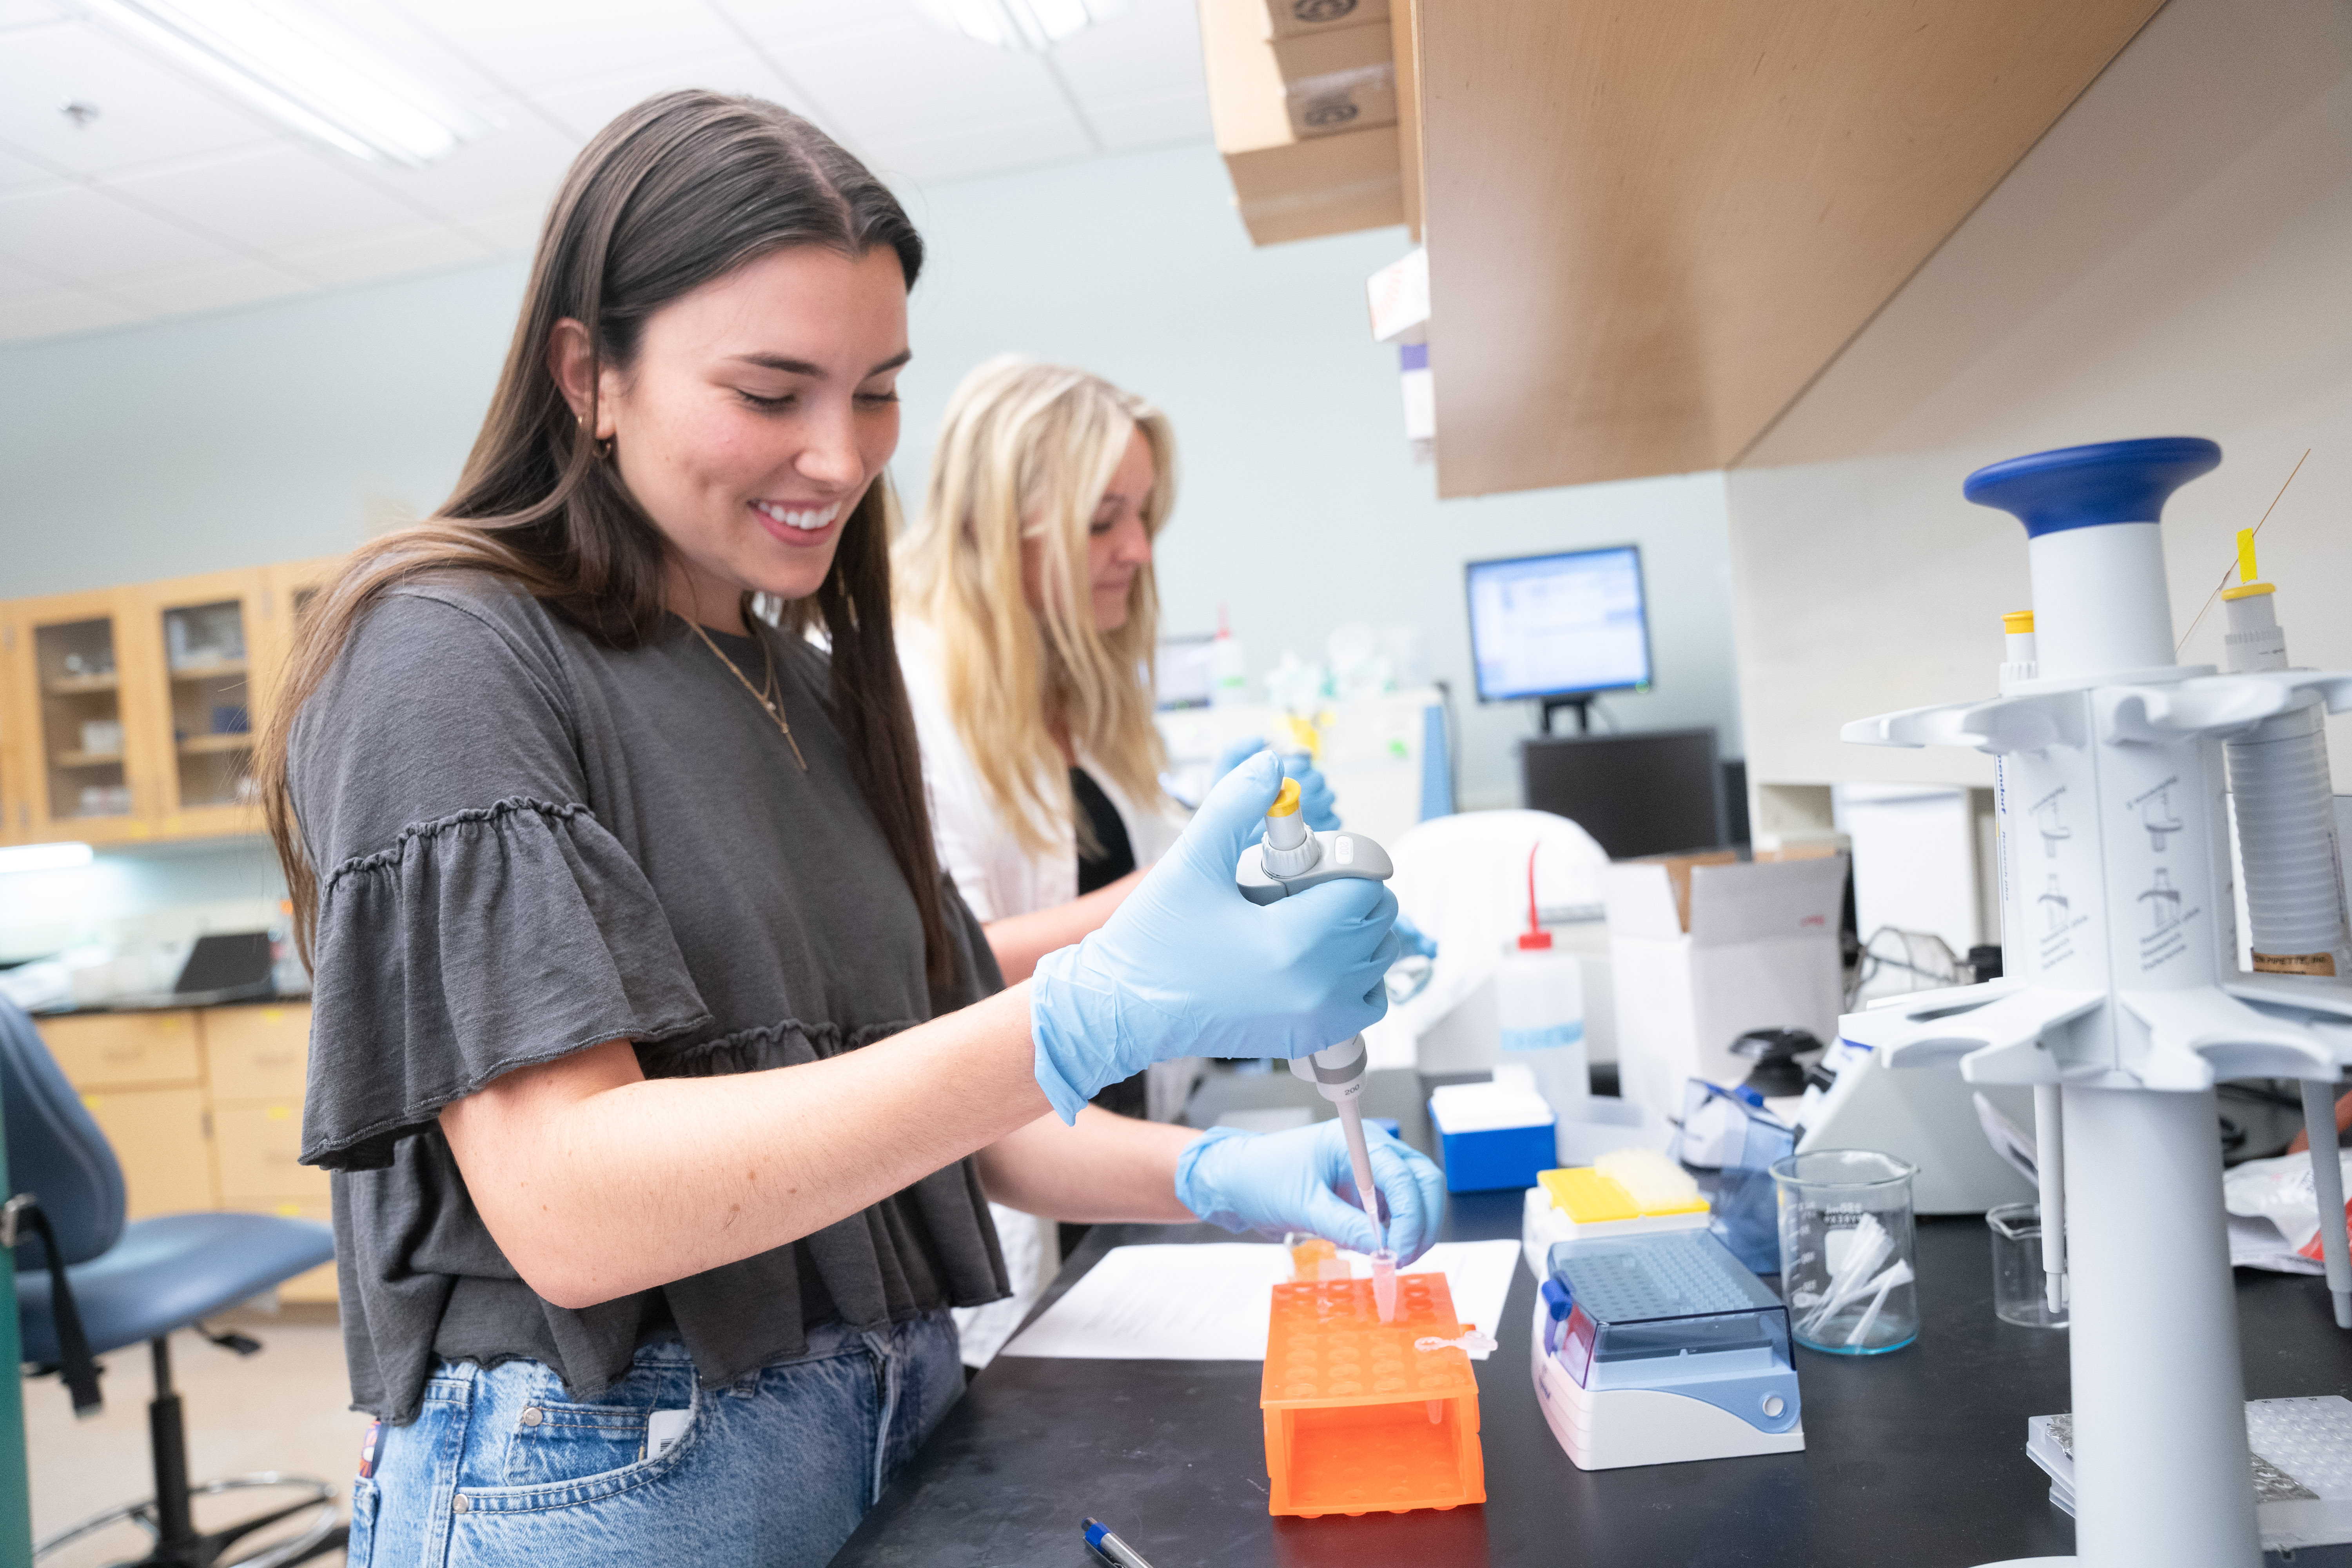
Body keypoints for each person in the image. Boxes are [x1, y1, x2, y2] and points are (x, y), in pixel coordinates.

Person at [255, 91, 1442, 1567]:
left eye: (877, 388)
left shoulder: (805, 685)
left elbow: (950, 1123)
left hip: (889, 1420)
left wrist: (1213, 1182)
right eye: (772, 393)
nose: (842, 454)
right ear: (589, 373)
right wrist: (1086, 1009)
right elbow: (571, 1206)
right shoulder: (446, 653)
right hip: (612, 1476)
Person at [892, 359, 1343, 1357]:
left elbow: (1140, 923)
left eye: (1142, 516)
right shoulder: (902, 703)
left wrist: (1267, 884)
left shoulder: (1083, 692)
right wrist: (1181, 883)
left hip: (1122, 1189)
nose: (1137, 550)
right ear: (990, 519)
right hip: (1018, 1198)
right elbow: (937, 977)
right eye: (1103, 520)